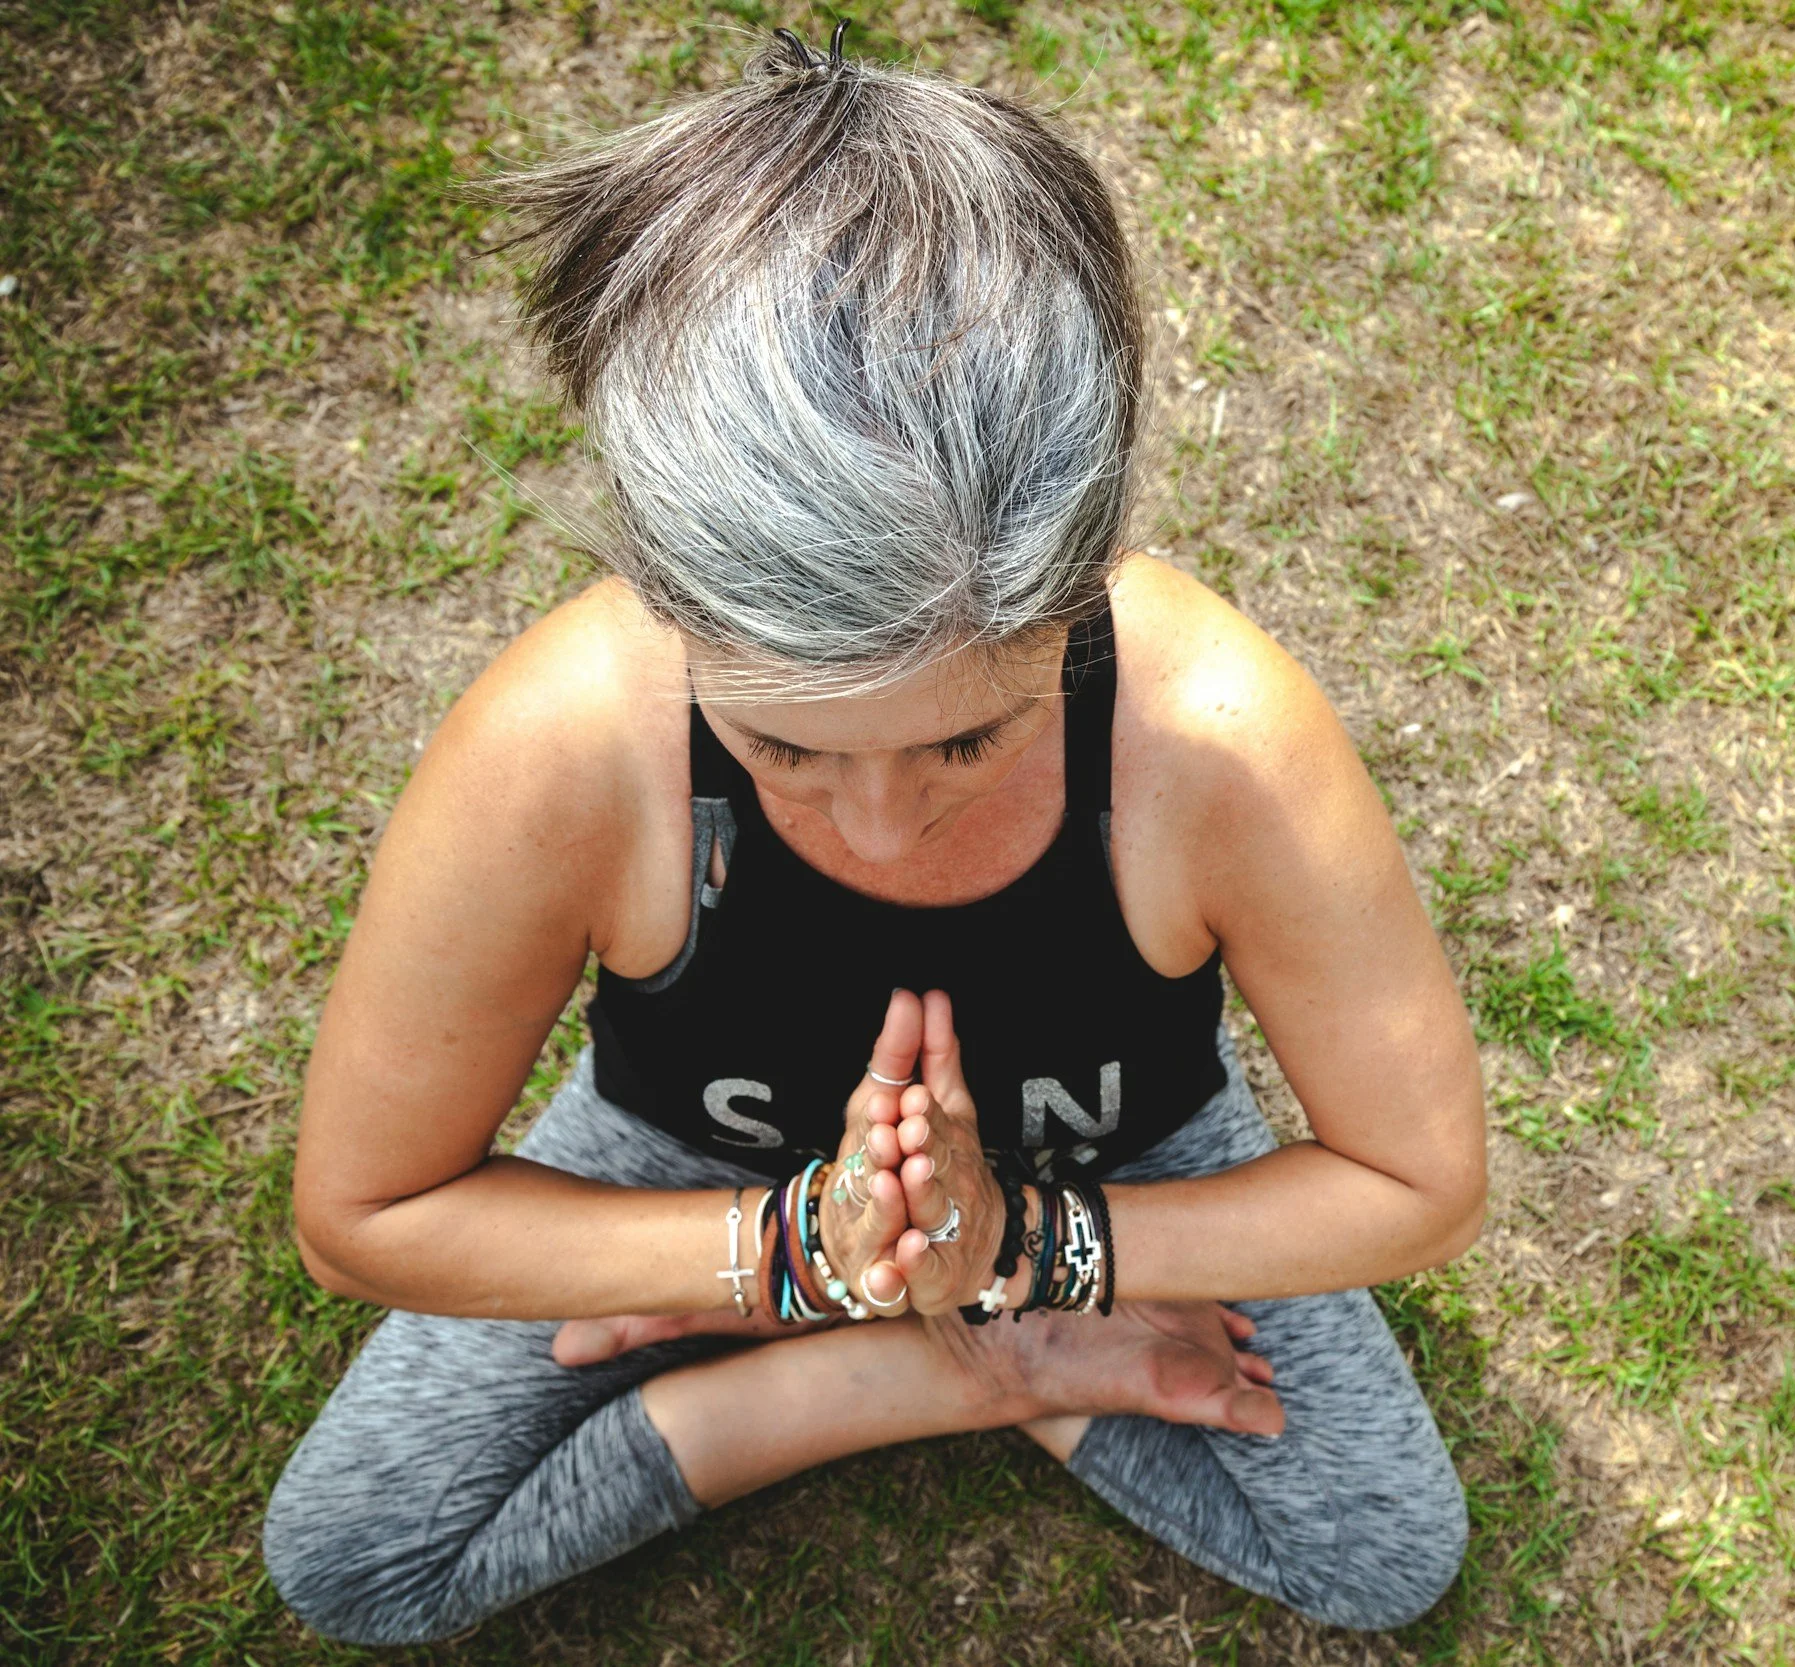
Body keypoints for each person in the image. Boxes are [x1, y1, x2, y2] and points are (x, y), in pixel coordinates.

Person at [259, 26, 1487, 1647]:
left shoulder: (1215, 738)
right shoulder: (563, 747)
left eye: (967, 735)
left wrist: (1035, 1242)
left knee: (1384, 1549)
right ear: (669, 610)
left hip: (1112, 1159)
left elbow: (1421, 1177)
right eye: (778, 745)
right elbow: (365, 1211)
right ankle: (936, 1373)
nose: (880, 816)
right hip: (706, 1158)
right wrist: (810, 1266)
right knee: (354, 1555)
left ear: (1083, 591)